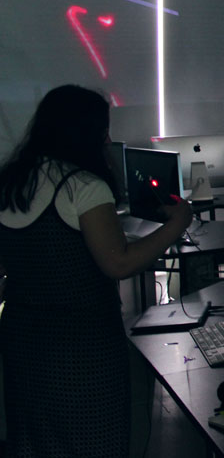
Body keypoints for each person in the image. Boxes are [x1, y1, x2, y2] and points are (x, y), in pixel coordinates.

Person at [0, 85, 194, 457]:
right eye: (102, 130)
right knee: (94, 441)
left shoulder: (10, 182)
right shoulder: (83, 187)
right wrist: (177, 224)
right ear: (84, 132)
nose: (107, 139)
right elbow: (118, 263)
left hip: (22, 339)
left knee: (35, 442)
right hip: (82, 344)